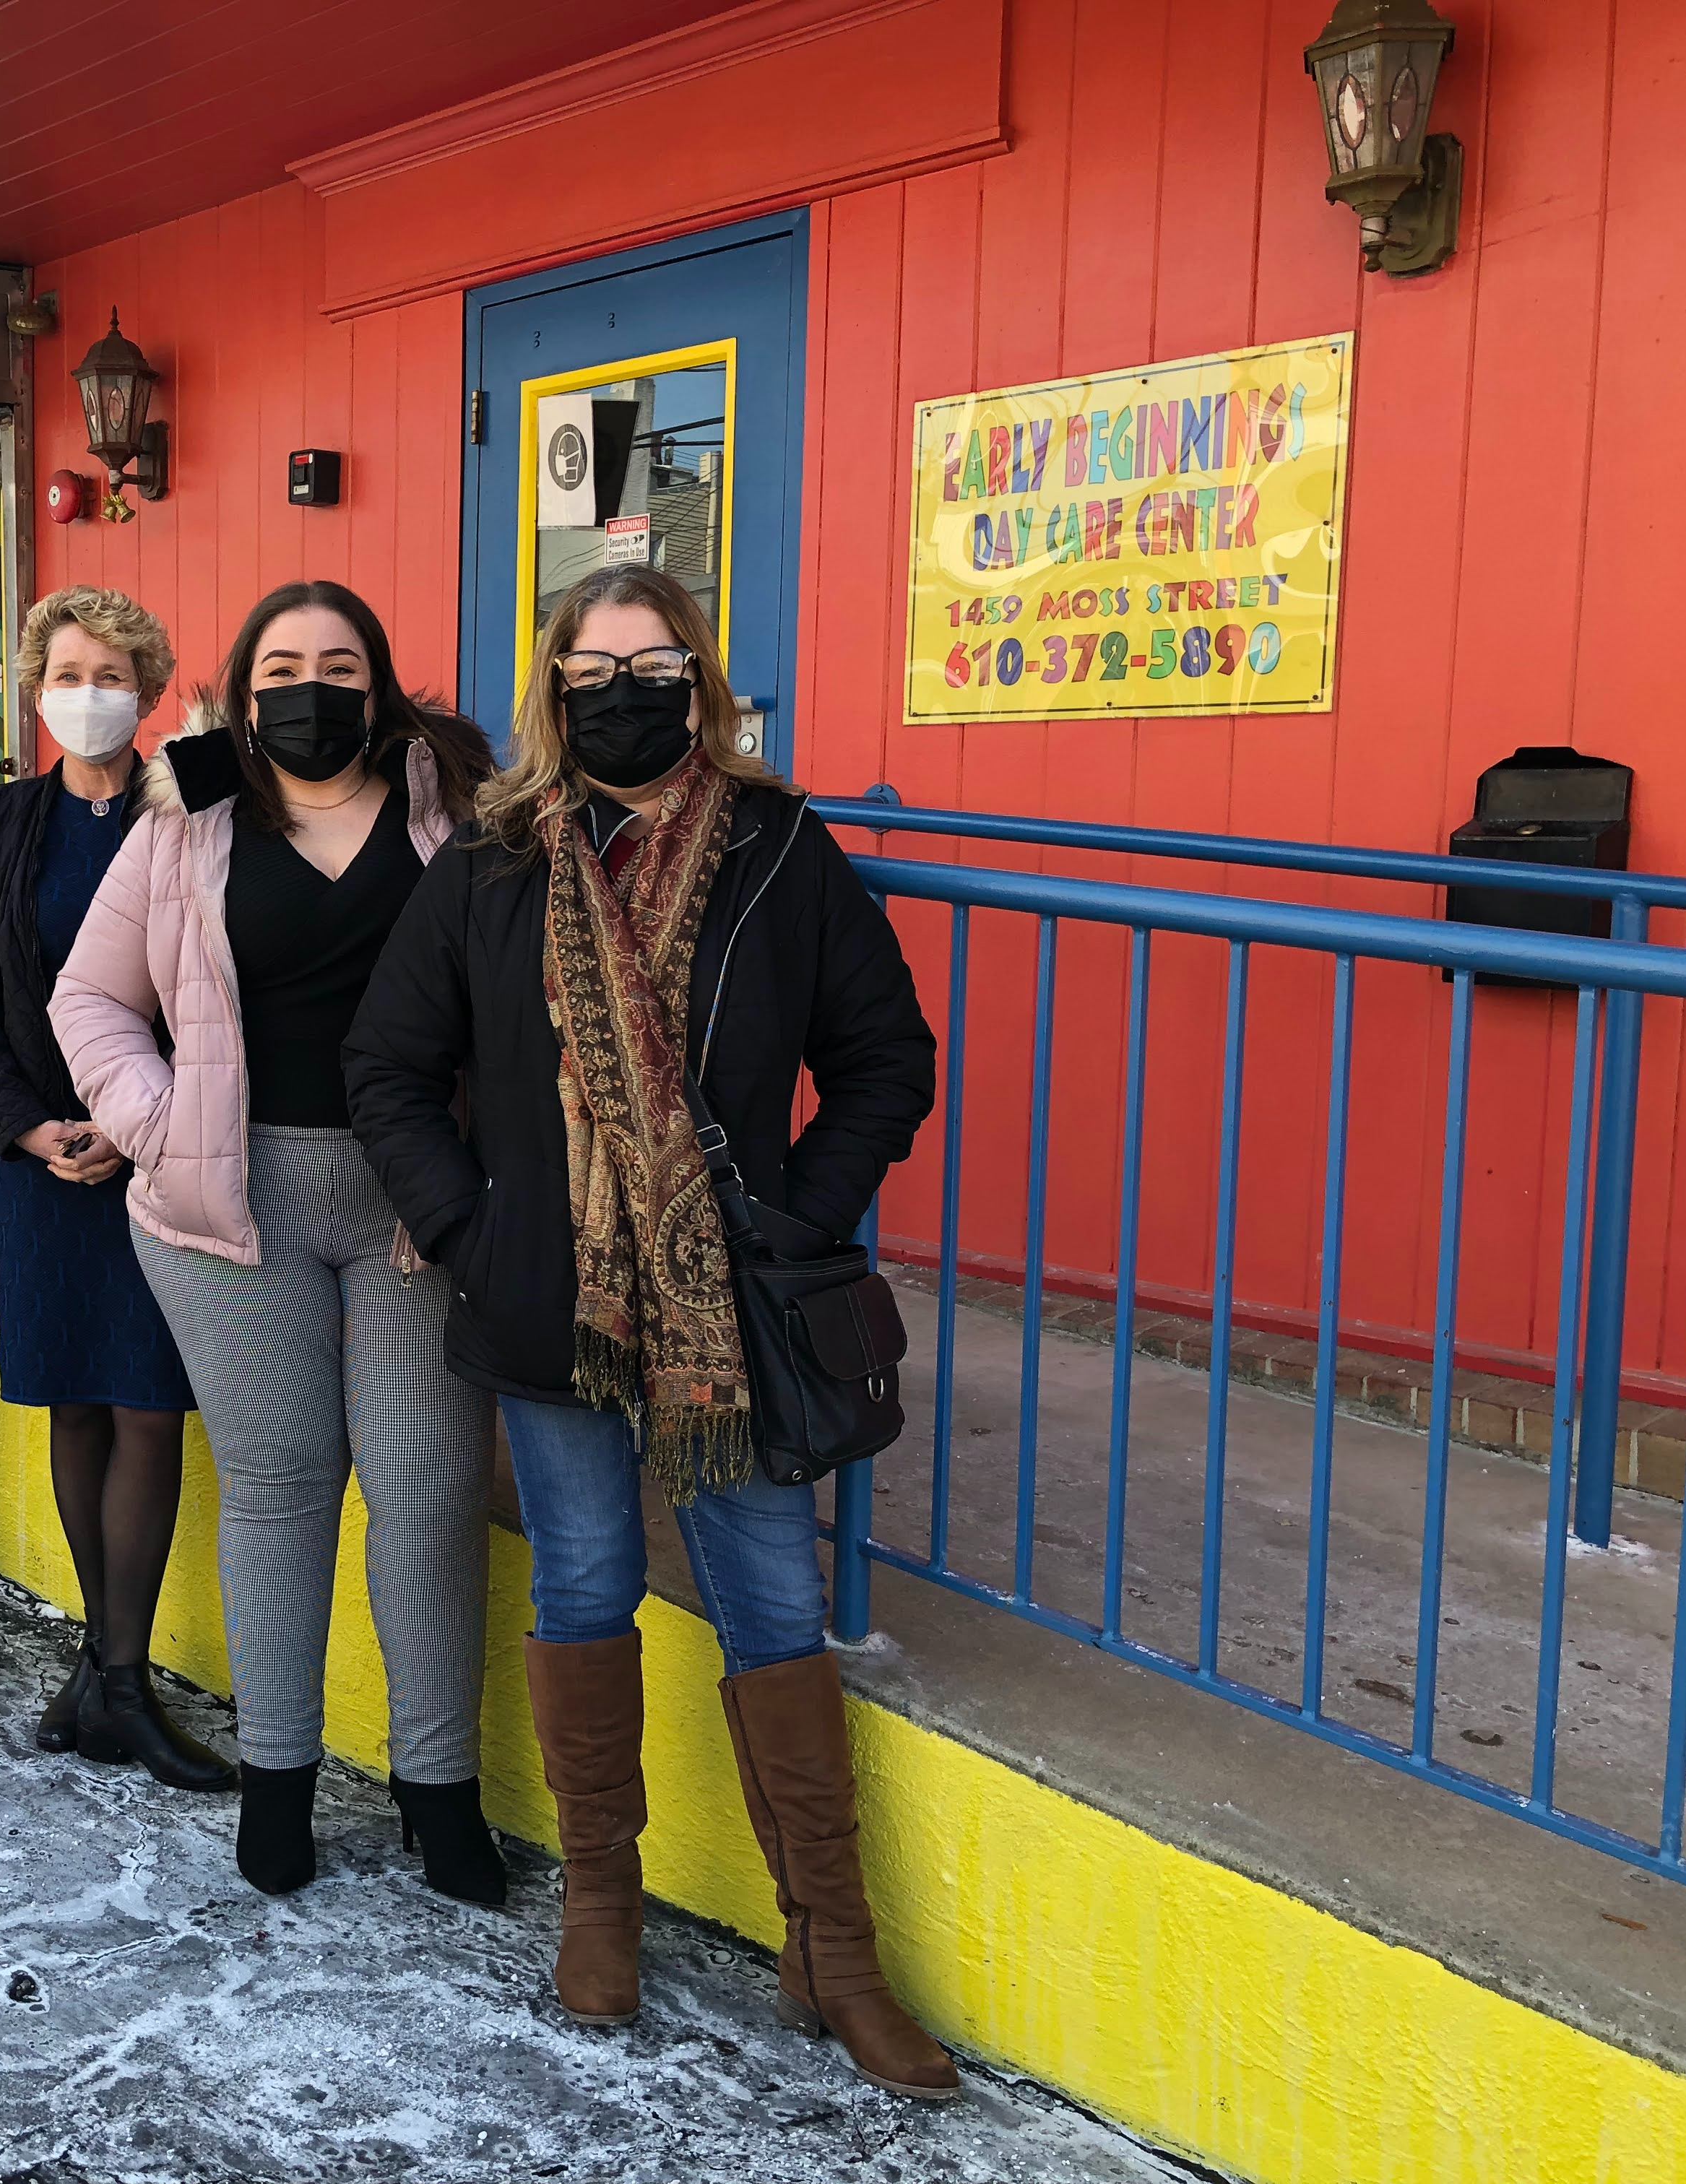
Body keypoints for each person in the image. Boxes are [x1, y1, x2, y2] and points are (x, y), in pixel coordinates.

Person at [341, 563, 949, 2096]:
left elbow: (886, 1053)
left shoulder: (777, 846)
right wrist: (480, 1230)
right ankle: (603, 1901)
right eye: (596, 663)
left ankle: (837, 1949)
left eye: (655, 660)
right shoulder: (489, 863)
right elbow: (388, 1063)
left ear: (700, 677)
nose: (627, 686)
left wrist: (799, 1218)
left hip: (731, 1306)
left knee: (766, 1598)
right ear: (553, 686)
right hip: (549, 1302)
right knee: (589, 1577)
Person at [48, 579, 504, 1903]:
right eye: (285, 666)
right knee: (281, 1482)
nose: (314, 687)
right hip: (229, 1214)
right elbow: (93, 997)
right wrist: (160, 1123)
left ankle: (439, 1787)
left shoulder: (455, 813)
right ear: (245, 692)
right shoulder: (187, 819)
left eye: (342, 663)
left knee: (424, 1487)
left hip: (415, 1210)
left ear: (381, 681)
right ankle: (282, 1783)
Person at [0, 585, 229, 1793]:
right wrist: (28, 1127)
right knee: (76, 1408)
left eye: (111, 672)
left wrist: (145, 1119)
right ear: (34, 686)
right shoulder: (0, 828)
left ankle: (120, 1672)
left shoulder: (198, 806)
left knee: (151, 1405)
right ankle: (108, 1674)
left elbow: (227, 980)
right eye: (65, 669)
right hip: (50, 1164)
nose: (86, 691)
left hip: (167, 1153)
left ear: (148, 691)